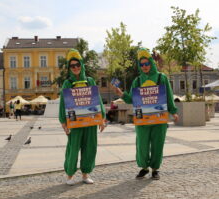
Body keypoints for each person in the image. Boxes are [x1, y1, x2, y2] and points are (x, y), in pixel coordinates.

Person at [111, 48, 179, 180]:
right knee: (142, 143)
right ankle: (144, 168)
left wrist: (173, 111)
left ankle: (155, 169)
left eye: (146, 64)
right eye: (141, 64)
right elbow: (132, 99)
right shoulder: (137, 81)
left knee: (157, 143)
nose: (144, 67)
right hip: (142, 119)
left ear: (151, 63)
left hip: (159, 118)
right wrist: (121, 94)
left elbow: (169, 97)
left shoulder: (161, 77)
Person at [59, 49, 106, 185]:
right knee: (73, 148)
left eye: (77, 65)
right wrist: (63, 122)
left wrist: (101, 119)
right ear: (69, 68)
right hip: (74, 123)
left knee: (90, 147)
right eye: (72, 66)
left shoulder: (90, 81)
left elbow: (98, 100)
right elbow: (63, 103)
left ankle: (85, 174)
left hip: (90, 122)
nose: (75, 68)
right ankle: (70, 175)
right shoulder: (67, 83)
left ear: (82, 65)